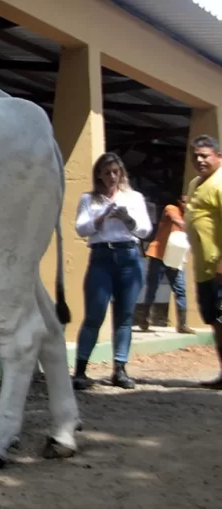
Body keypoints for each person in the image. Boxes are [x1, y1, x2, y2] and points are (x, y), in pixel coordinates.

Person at [72, 152, 152, 390]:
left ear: (122, 173)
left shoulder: (134, 197)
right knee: (94, 315)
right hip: (101, 257)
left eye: (115, 172)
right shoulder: (89, 199)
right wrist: (102, 217)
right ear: (99, 174)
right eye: (106, 172)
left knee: (124, 316)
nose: (111, 177)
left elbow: (145, 231)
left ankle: (120, 369)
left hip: (128, 256)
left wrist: (128, 220)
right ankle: (80, 370)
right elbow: (81, 229)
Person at [182, 134, 222, 388]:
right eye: (195, 155)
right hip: (203, 269)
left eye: (205, 155)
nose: (199, 160)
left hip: (219, 268)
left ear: (219, 157)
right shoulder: (195, 183)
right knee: (216, 323)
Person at [137, 196, 195, 334]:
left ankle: (182, 324)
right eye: (185, 202)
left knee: (180, 290)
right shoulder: (171, 208)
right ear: (179, 202)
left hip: (175, 258)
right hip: (159, 255)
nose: (187, 205)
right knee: (152, 288)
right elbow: (176, 220)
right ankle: (143, 319)